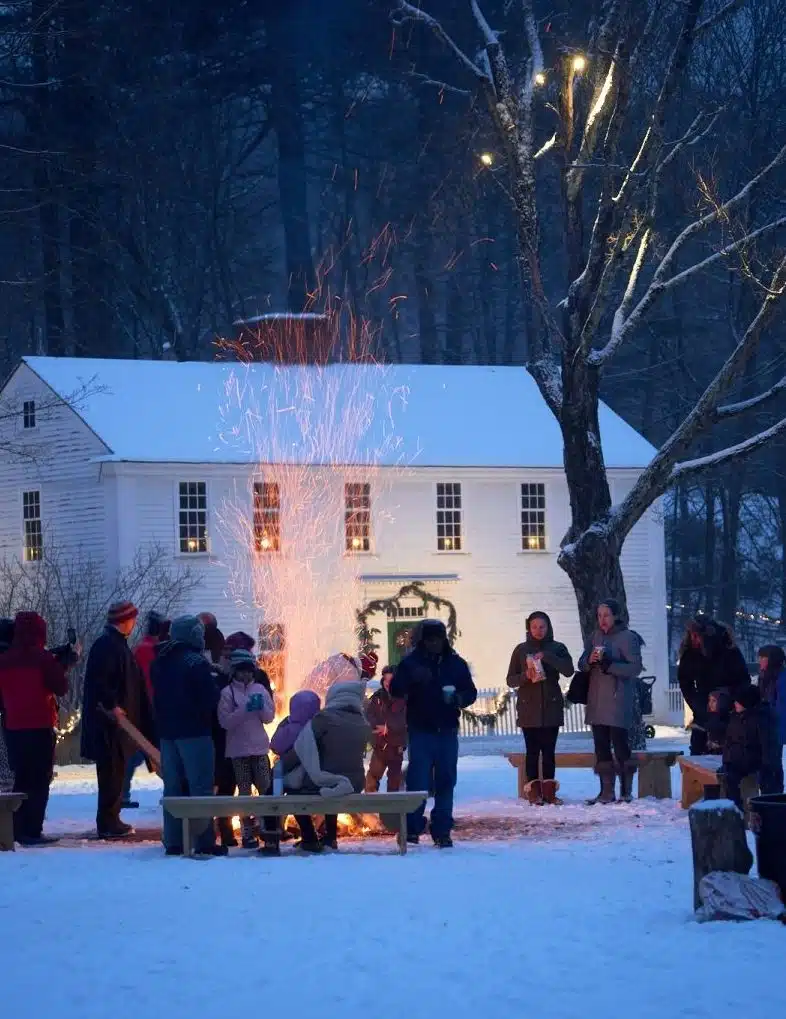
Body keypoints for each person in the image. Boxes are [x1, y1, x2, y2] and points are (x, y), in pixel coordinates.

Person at [390, 619, 477, 848]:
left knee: (446, 779)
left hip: (447, 729)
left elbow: (470, 691)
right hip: (421, 729)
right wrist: (411, 679)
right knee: (418, 781)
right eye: (430, 639)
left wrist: (459, 698)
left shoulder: (455, 663)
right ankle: (412, 827)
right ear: (422, 641)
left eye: (438, 639)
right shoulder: (411, 663)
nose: (434, 644)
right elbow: (396, 689)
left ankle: (442, 829)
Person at [151, 615, 226, 856]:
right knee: (200, 787)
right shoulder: (195, 662)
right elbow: (210, 698)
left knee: (172, 789)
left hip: (167, 733)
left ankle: (174, 841)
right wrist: (220, 680)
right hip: (195, 732)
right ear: (193, 634)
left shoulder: (160, 660)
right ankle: (204, 841)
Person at [81, 601, 154, 838]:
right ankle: (108, 822)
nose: (134, 624)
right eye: (132, 619)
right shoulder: (107, 646)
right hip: (108, 725)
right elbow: (102, 682)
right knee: (111, 772)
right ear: (124, 621)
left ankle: (111, 818)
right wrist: (113, 706)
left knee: (117, 771)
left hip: (116, 724)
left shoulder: (115, 645)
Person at [0, 612, 70, 845]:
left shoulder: (5, 659)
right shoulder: (43, 658)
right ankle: (32, 829)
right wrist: (63, 664)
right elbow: (60, 687)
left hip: (13, 727)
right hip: (39, 724)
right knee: (40, 779)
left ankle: (17, 826)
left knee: (22, 777)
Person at [287, 675, 370, 853]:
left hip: (331, 781)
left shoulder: (324, 718)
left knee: (294, 790)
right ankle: (330, 837)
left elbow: (302, 746)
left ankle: (309, 837)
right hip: (355, 782)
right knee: (334, 782)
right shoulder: (362, 722)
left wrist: (281, 769)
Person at [506, 611, 574, 805]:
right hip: (529, 707)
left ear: (548, 627)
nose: (538, 631)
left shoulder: (558, 648)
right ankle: (534, 792)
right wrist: (525, 676)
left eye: (542, 627)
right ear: (528, 628)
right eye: (534, 627)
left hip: (551, 706)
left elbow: (568, 670)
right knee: (532, 751)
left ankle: (550, 791)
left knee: (549, 752)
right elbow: (510, 680)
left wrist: (549, 657)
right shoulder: (520, 650)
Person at [579, 599, 643, 805]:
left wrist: (611, 665)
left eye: (606, 615)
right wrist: (589, 661)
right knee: (601, 746)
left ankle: (625, 790)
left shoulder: (627, 638)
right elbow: (581, 663)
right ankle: (606, 791)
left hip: (617, 699)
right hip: (597, 699)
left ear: (615, 616)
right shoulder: (595, 637)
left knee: (620, 744)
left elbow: (635, 668)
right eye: (599, 615)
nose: (602, 620)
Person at [217, 648, 275, 850]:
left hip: (259, 748)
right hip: (237, 750)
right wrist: (244, 709)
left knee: (265, 789)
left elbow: (269, 717)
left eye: (249, 671)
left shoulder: (260, 689)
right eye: (241, 671)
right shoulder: (227, 693)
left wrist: (260, 708)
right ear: (234, 671)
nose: (245, 675)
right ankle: (247, 832)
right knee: (243, 792)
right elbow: (225, 722)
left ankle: (268, 828)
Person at [678, 617, 750, 756]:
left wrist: (729, 698)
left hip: (728, 710)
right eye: (691, 634)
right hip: (703, 709)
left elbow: (743, 680)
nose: (693, 638)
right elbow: (685, 683)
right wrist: (698, 704)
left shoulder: (729, 650)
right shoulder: (691, 652)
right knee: (698, 753)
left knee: (726, 752)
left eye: (696, 635)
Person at [122, 610, 169, 809]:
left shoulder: (140, 649)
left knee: (136, 754)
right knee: (161, 753)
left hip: (141, 707)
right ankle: (173, 792)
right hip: (153, 708)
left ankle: (123, 794)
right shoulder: (156, 651)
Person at [199, 612, 237, 847]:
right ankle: (218, 829)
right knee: (221, 784)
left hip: (222, 738)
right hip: (218, 736)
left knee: (222, 784)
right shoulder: (216, 674)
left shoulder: (221, 676)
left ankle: (221, 828)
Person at [720, 684, 767, 810]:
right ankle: (732, 808)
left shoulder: (757, 719)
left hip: (750, 763)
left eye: (738, 701)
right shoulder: (735, 718)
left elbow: (760, 746)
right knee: (725, 777)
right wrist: (727, 760)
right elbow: (728, 742)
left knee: (731, 779)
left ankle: (738, 809)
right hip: (735, 761)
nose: (735, 703)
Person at [365, 665, 407, 792]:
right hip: (380, 745)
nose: (387, 683)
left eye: (391, 680)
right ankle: (369, 805)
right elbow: (369, 715)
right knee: (372, 776)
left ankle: (392, 808)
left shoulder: (404, 698)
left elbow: (404, 720)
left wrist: (388, 727)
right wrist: (375, 726)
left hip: (396, 746)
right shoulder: (378, 697)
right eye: (385, 679)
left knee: (394, 780)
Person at [757, 645, 786, 794]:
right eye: (760, 657)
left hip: (774, 729)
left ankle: (775, 797)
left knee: (773, 764)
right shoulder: (764, 676)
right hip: (764, 728)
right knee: (764, 764)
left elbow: (782, 707)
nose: (760, 661)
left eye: (764, 658)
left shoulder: (781, 678)